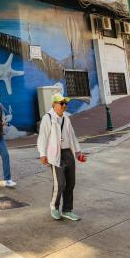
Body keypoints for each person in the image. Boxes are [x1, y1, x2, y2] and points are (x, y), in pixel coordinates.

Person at [37, 93, 87, 221]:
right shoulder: (48, 118)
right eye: (61, 103)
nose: (64, 105)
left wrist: (78, 152)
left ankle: (67, 210)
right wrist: (42, 154)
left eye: (65, 103)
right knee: (60, 183)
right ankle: (54, 207)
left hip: (67, 153)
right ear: (54, 104)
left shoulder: (66, 117)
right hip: (55, 154)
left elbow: (72, 136)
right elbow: (42, 138)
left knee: (71, 183)